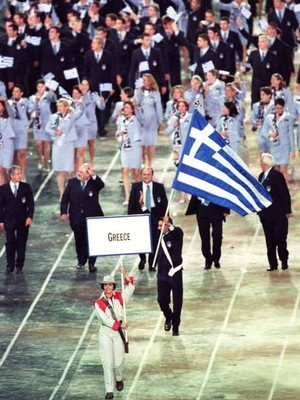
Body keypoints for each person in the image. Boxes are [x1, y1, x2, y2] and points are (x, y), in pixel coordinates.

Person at [94, 267, 135, 400]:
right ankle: (109, 390)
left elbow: (131, 286)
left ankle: (119, 378)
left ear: (113, 286)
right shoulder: (98, 303)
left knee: (118, 362)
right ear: (103, 287)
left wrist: (125, 273)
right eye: (106, 285)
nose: (108, 287)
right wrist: (119, 324)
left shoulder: (120, 297)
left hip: (118, 333)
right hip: (106, 333)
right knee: (107, 362)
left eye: (110, 284)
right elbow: (104, 320)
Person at [60, 162, 105, 272]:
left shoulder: (94, 184)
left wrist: (93, 174)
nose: (78, 173)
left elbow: (101, 185)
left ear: (88, 174)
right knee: (79, 240)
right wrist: (63, 212)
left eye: (81, 172)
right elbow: (65, 198)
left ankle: (91, 263)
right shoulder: (72, 183)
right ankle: (81, 260)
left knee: (92, 241)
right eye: (78, 171)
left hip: (92, 218)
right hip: (76, 218)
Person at [128, 167, 168, 271]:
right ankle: (142, 258)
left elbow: (165, 203)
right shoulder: (136, 187)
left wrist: (166, 217)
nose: (146, 176)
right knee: (140, 239)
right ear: (141, 175)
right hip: (140, 215)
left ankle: (152, 263)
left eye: (148, 174)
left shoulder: (159, 187)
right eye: (144, 174)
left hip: (155, 214)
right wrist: (130, 219)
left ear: (152, 175)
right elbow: (131, 204)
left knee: (155, 241)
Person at [258, 152, 292, 271]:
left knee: (280, 239)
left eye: (261, 161)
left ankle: (284, 260)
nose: (260, 163)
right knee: (270, 240)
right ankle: (272, 263)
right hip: (266, 215)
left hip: (278, 214)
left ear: (266, 163)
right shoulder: (261, 176)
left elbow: (284, 193)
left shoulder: (276, 175)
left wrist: (287, 210)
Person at [0, 165, 34, 274]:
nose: (20, 175)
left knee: (21, 242)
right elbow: (0, 206)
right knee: (10, 242)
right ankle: (10, 264)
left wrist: (29, 217)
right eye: (18, 174)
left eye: (20, 173)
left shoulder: (26, 187)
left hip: (23, 220)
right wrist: (1, 221)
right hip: (9, 220)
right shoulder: (3, 189)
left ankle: (20, 263)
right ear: (11, 175)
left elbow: (31, 204)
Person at [186, 195, 230, 269]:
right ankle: (208, 259)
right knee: (204, 238)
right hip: (202, 210)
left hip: (217, 210)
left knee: (217, 236)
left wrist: (226, 209)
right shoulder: (198, 183)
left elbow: (224, 189)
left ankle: (216, 259)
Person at [156, 216, 184, 336]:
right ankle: (169, 317)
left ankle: (176, 326)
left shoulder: (176, 236)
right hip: (162, 274)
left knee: (177, 302)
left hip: (175, 273)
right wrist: (143, 207)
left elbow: (178, 233)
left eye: (161, 225)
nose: (158, 228)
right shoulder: (159, 238)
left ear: (167, 226)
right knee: (162, 300)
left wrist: (169, 225)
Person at [260, 98, 295, 182]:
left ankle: (284, 191)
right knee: (275, 171)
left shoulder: (288, 117)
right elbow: (263, 131)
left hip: (285, 147)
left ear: (283, 107)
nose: (278, 110)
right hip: (274, 147)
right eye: (276, 108)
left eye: (280, 108)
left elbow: (291, 134)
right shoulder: (269, 118)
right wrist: (270, 135)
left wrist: (292, 150)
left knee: (283, 171)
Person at [115, 101, 142, 206]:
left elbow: (140, 115)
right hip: (125, 148)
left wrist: (136, 106)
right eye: (124, 108)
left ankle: (139, 195)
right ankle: (127, 196)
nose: (125, 109)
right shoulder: (121, 120)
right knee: (125, 170)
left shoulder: (136, 119)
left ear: (131, 109)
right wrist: (118, 134)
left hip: (135, 147)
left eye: (127, 107)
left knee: (136, 172)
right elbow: (117, 132)